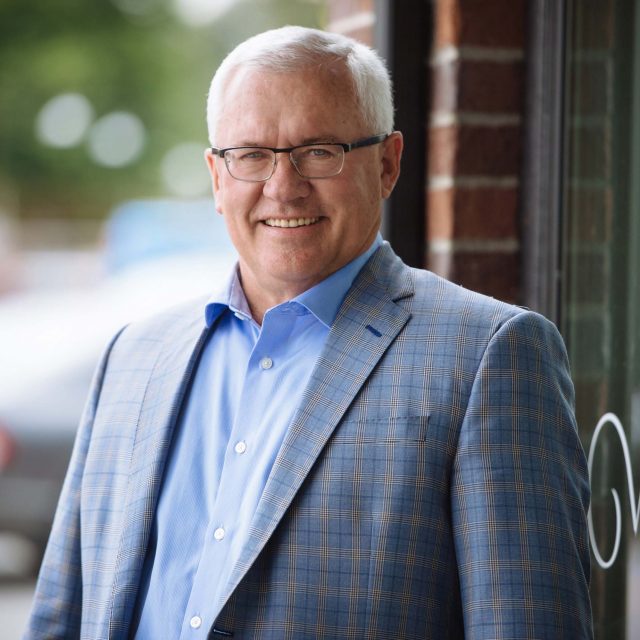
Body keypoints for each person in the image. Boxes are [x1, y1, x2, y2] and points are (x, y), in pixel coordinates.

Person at [25, 25, 592, 639]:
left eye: (319, 150)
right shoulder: (133, 357)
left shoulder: (490, 356)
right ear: (217, 177)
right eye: (250, 155)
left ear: (388, 163)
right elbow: (62, 611)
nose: (282, 186)